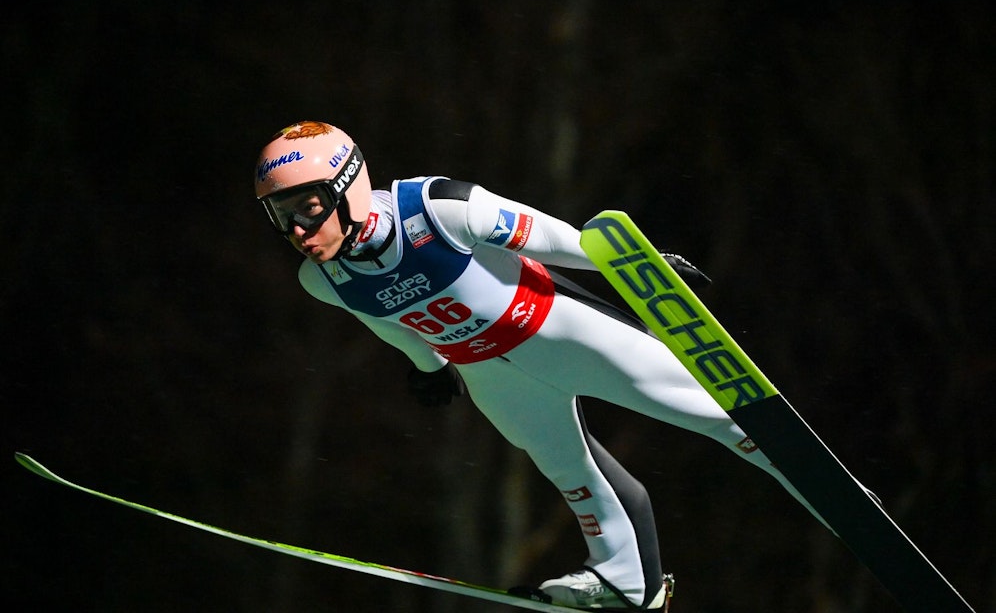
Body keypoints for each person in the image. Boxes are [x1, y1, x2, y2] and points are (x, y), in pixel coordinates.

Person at [254, 120, 823, 610]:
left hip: (558, 330)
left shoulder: (435, 207)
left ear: (349, 188)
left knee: (717, 416)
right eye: (281, 214)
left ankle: (834, 500)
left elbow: (548, 236)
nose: (297, 230)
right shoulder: (322, 279)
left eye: (309, 207)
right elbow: (388, 321)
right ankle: (625, 580)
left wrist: (634, 265)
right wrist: (427, 366)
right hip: (490, 375)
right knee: (569, 471)